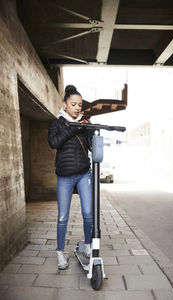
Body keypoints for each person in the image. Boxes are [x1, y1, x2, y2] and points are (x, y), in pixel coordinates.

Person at [48, 85, 93, 270]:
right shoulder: (56, 123)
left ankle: (89, 246)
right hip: (65, 177)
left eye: (80, 105)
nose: (77, 108)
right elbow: (54, 142)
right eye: (73, 104)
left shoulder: (84, 123)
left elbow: (90, 148)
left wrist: (90, 131)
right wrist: (75, 128)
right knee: (63, 216)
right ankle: (60, 253)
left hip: (84, 174)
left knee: (88, 213)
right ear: (65, 104)